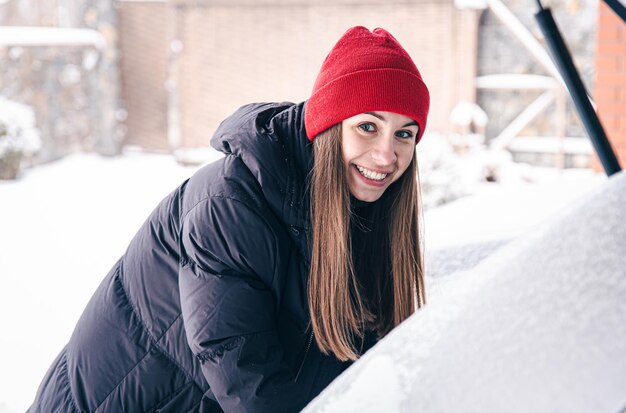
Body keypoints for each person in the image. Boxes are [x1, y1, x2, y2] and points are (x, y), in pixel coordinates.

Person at [29, 26, 430, 412]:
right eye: (367, 126)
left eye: (404, 134)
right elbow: (253, 393)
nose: (385, 155)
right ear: (327, 127)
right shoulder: (228, 208)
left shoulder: (364, 213)